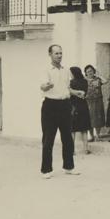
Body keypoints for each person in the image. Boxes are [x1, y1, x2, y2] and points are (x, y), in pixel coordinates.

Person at [39, 45, 84, 179]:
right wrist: (47, 86)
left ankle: (69, 167)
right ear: (50, 54)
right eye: (56, 53)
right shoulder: (46, 70)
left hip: (65, 105)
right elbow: (42, 86)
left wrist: (77, 92)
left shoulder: (65, 70)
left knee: (68, 138)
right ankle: (46, 170)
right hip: (50, 106)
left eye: (60, 53)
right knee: (48, 139)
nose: (59, 55)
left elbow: (67, 88)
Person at [69, 67, 91, 155]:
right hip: (83, 106)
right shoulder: (85, 81)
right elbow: (85, 93)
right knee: (84, 129)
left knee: (72, 129)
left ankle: (72, 150)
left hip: (73, 106)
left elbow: (68, 93)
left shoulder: (71, 82)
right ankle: (86, 149)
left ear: (74, 73)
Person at [84, 65, 107, 141]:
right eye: (88, 71)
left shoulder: (97, 79)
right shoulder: (84, 80)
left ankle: (97, 135)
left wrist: (99, 75)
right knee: (89, 119)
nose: (89, 73)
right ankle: (91, 136)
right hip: (88, 101)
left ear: (94, 71)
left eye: (91, 71)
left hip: (97, 101)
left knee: (98, 118)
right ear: (86, 73)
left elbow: (106, 81)